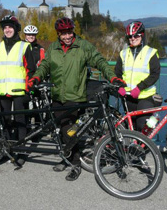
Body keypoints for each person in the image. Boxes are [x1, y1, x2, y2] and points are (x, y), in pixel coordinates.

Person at [29, 17, 125, 181]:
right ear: (58, 34)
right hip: (57, 95)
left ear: (73, 31)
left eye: (69, 32)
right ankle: (65, 158)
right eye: (63, 33)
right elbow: (45, 65)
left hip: (75, 96)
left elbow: (100, 61)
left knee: (70, 131)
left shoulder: (83, 46)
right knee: (60, 130)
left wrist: (113, 78)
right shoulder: (54, 47)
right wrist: (36, 78)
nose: (67, 36)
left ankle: (75, 165)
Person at [0, 15, 36, 166]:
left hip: (19, 91)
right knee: (4, 122)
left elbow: (31, 70)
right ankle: (8, 149)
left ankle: (21, 151)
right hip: (3, 91)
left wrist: (28, 89)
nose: (7, 29)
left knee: (20, 123)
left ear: (16, 29)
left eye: (10, 27)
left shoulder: (24, 46)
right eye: (5, 27)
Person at [114, 21, 161, 133]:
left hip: (145, 96)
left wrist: (140, 87)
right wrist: (120, 86)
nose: (133, 38)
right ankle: (133, 149)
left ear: (142, 36)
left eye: (136, 36)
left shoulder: (151, 53)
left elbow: (155, 74)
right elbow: (117, 73)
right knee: (131, 126)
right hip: (128, 95)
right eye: (130, 36)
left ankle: (144, 149)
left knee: (143, 125)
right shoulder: (123, 53)